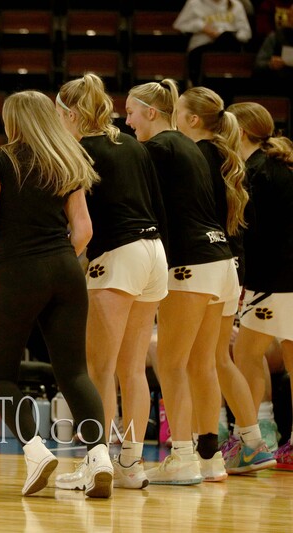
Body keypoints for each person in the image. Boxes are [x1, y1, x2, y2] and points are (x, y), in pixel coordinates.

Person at [0, 91, 113, 498]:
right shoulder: (67, 158)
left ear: (12, 121)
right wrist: (58, 257)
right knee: (74, 373)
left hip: (16, 272)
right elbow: (83, 230)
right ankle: (98, 456)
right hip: (66, 270)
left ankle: (35, 451)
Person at [52, 73, 167, 491]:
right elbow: (157, 205)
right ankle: (131, 464)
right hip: (154, 252)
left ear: (71, 113)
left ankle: (96, 461)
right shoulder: (132, 144)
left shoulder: (80, 151)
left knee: (98, 368)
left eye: (58, 113)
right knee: (132, 369)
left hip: (118, 255)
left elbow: (79, 224)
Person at [125, 78, 238, 485]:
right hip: (222, 261)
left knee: (170, 363)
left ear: (151, 112)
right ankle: (211, 458)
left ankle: (184, 455)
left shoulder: (156, 149)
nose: (127, 119)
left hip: (190, 264)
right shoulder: (192, 147)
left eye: (131, 112)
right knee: (201, 364)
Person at [176, 88, 277, 474]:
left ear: (193, 119)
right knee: (218, 359)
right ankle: (252, 441)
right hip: (230, 267)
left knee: (190, 361)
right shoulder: (229, 156)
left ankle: (193, 451)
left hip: (206, 264)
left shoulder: (197, 155)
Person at [228, 101, 293, 471]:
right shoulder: (284, 164)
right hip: (286, 279)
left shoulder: (255, 172)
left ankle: (247, 439)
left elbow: (253, 236)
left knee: (246, 354)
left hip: (272, 280)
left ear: (238, 131)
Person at [173, 0, 252, 85]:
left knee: (227, 39)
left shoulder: (235, 4)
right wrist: (201, 27)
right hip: (202, 46)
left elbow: (246, 33)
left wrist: (228, 35)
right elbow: (179, 25)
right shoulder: (194, 3)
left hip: (229, 45)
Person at [255, 6, 293, 96]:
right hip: (280, 85)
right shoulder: (276, 36)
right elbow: (258, 64)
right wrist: (271, 64)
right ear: (288, 18)